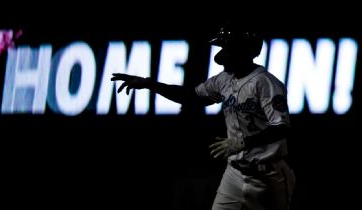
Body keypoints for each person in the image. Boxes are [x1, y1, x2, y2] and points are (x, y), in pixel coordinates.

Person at [111, 22, 295, 210]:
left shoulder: (266, 83)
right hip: (235, 173)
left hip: (269, 175)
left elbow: (281, 127)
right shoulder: (224, 79)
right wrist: (150, 84)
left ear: (242, 49)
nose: (223, 51)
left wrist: (243, 142)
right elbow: (191, 97)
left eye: (227, 45)